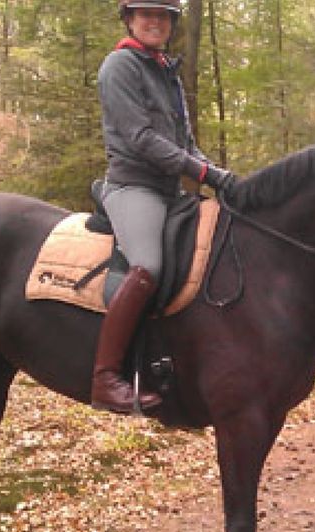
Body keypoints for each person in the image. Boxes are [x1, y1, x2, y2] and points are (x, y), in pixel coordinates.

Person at [93, 0, 235, 413]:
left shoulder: (166, 73)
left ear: (171, 24)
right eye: (146, 14)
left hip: (171, 191)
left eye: (163, 16)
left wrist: (222, 175)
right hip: (133, 187)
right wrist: (208, 175)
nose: (155, 22)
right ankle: (105, 378)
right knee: (147, 268)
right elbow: (140, 138)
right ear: (130, 19)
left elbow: (185, 146)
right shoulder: (119, 67)